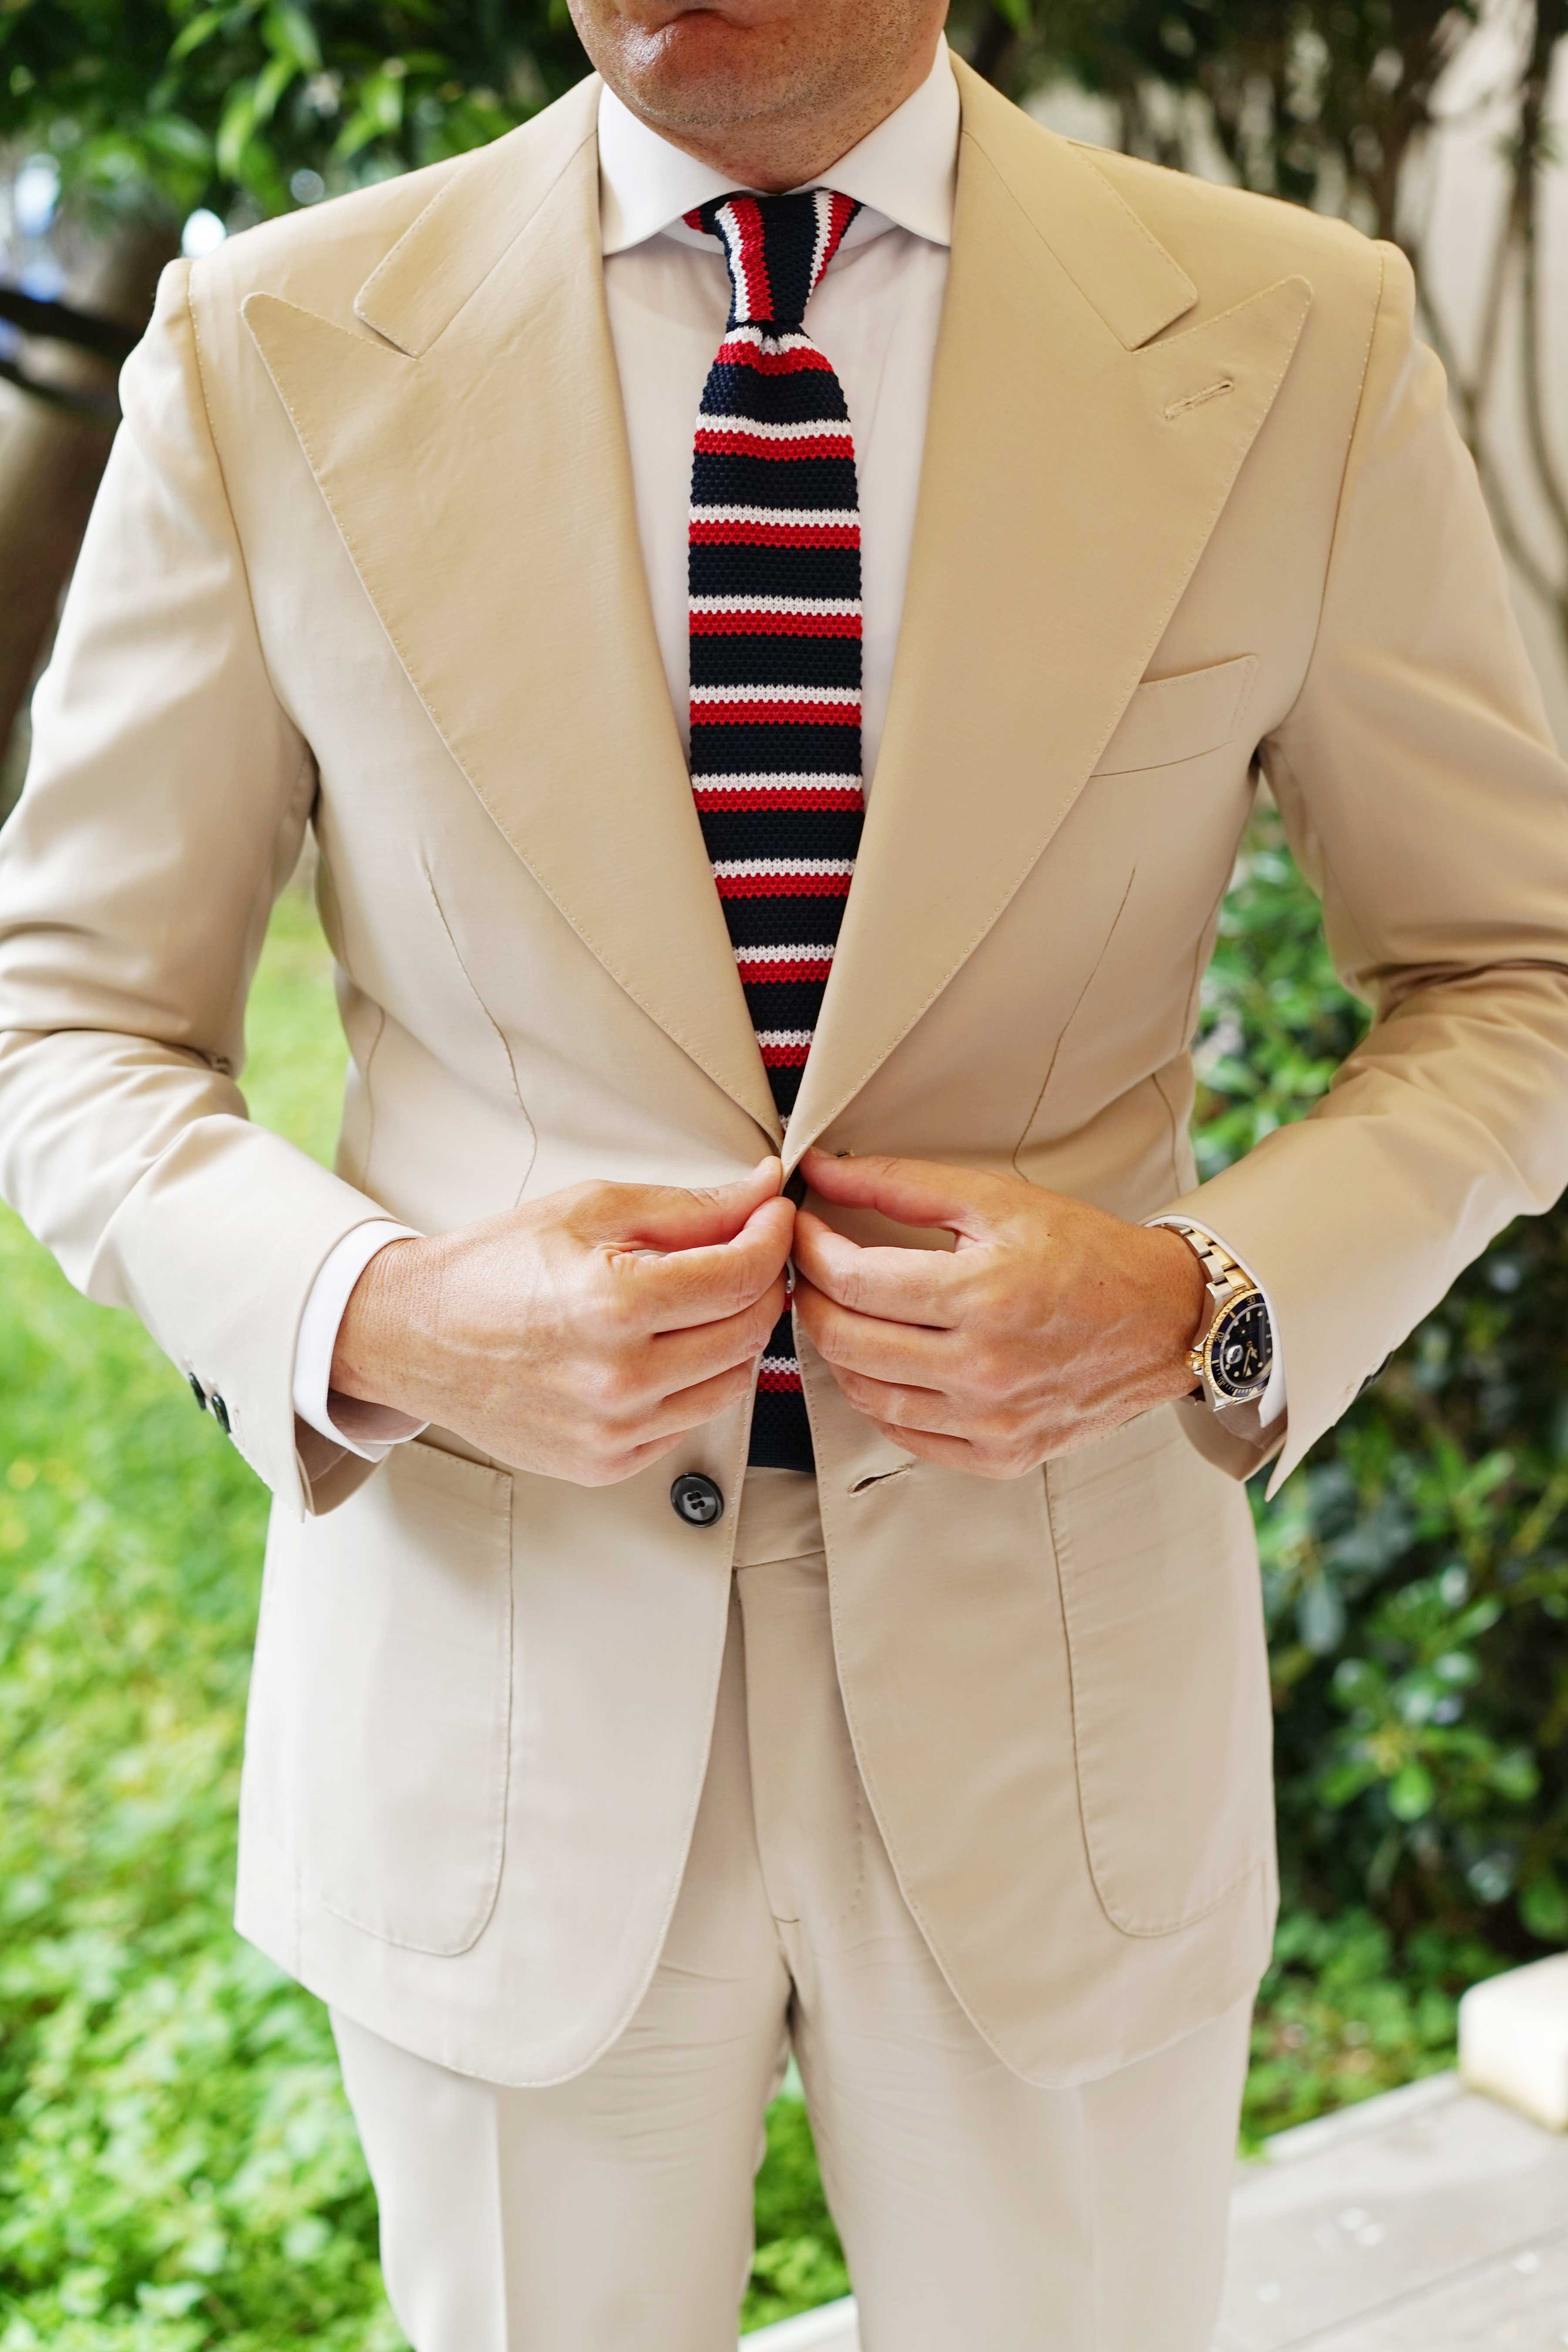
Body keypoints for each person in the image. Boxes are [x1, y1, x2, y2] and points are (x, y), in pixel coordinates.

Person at [3, 0, 1568, 2344]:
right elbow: (65, 1015)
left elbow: (1515, 971)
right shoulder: (271, 347)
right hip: (496, 1700)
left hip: (1065, 1709)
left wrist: (1193, 1290)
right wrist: (380, 1315)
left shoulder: (1287, 339)